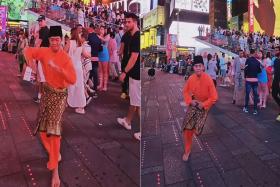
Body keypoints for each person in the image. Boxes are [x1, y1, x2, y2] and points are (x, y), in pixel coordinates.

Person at [23, 26, 76, 187]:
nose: (54, 42)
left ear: (61, 40)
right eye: (52, 39)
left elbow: (72, 79)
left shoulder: (65, 58)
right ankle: (55, 155)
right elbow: (27, 50)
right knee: (41, 130)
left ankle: (55, 171)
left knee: (54, 132)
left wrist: (60, 70)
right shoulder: (44, 51)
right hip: (46, 93)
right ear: (49, 40)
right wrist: (30, 64)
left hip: (59, 96)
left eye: (57, 39)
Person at [182, 55, 218, 161]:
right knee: (188, 129)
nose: (198, 68)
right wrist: (190, 101)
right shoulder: (191, 78)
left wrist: (204, 104)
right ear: (193, 67)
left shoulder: (208, 79)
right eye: (196, 66)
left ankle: (196, 129)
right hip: (193, 105)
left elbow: (214, 97)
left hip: (204, 106)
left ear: (203, 67)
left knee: (197, 131)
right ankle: (187, 150)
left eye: (200, 66)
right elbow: (185, 92)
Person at [117, 13, 141, 140]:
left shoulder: (137, 36)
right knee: (134, 101)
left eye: (129, 22)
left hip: (136, 74)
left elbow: (134, 57)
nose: (126, 24)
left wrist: (124, 72)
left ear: (135, 22)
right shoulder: (129, 35)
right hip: (133, 74)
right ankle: (127, 121)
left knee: (138, 103)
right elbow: (122, 50)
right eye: (125, 22)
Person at [65, 28, 90, 114]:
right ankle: (81, 106)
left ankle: (67, 102)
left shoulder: (69, 42)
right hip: (78, 67)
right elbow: (86, 55)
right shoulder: (80, 44)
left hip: (70, 67)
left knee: (68, 85)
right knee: (79, 86)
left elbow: (63, 53)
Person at [34, 15, 49, 103]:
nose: (39, 23)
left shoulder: (43, 30)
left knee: (42, 78)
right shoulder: (48, 30)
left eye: (40, 21)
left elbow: (38, 44)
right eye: (38, 21)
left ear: (44, 20)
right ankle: (41, 96)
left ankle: (42, 97)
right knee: (42, 78)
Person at [243, 49, 261, 115]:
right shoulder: (258, 62)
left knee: (247, 94)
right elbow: (259, 71)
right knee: (255, 95)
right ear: (254, 53)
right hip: (255, 80)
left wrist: (245, 77)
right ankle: (255, 109)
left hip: (248, 79)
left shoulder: (247, 60)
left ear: (250, 53)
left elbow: (245, 69)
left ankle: (246, 107)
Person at [88, 23, 101, 98]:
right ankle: (95, 88)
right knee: (95, 73)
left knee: (87, 74)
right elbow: (100, 48)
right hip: (96, 57)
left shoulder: (88, 36)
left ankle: (88, 89)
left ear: (90, 28)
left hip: (88, 57)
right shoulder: (97, 37)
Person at [119, 27, 132, 99]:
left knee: (124, 76)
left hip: (125, 59)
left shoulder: (124, 36)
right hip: (133, 60)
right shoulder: (136, 35)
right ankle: (131, 93)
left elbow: (121, 50)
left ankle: (124, 92)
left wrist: (120, 55)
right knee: (131, 77)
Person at [272, 46, 280, 121]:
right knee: (274, 94)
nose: (275, 51)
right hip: (275, 80)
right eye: (275, 50)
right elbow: (275, 70)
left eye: (277, 50)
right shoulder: (275, 60)